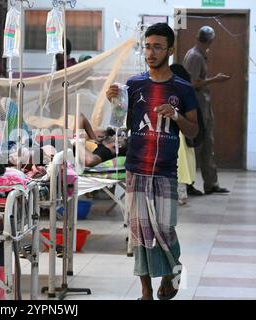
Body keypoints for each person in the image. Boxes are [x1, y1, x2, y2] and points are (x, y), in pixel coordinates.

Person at [107, 23, 199, 300]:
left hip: (165, 171)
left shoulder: (182, 89)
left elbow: (193, 131)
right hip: (136, 168)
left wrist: (176, 116)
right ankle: (146, 291)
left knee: (164, 228)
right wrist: (114, 100)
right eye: (147, 46)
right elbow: (119, 123)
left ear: (170, 50)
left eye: (158, 47)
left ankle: (171, 272)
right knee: (139, 232)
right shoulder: (133, 85)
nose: (151, 52)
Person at [183, 26, 231, 195]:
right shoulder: (195, 56)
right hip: (197, 108)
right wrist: (215, 80)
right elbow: (192, 83)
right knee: (196, 146)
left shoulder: (198, 54)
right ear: (210, 40)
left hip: (203, 106)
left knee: (207, 145)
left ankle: (211, 184)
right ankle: (187, 184)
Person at [170, 63, 198, 205]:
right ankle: (181, 194)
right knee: (182, 167)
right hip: (184, 137)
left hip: (178, 135)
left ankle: (180, 194)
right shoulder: (186, 90)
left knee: (180, 167)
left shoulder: (179, 90)